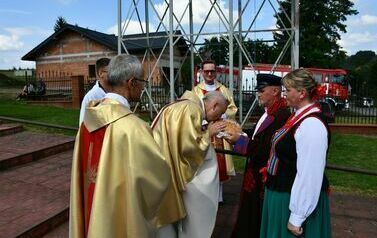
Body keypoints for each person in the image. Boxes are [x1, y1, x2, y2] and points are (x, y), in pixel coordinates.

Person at [69, 54, 171, 238]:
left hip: (92, 208)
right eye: (142, 82)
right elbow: (157, 181)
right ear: (131, 82)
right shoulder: (134, 128)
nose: (142, 88)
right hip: (118, 215)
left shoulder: (87, 122)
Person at [260, 69, 331, 237]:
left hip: (291, 198)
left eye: (288, 90)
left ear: (302, 93)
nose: (284, 94)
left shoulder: (311, 124)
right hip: (283, 192)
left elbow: (309, 173)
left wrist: (298, 216)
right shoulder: (298, 117)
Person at [152, 90, 228, 238]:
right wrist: (208, 134)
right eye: (220, 113)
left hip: (161, 166)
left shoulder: (182, 105)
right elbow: (188, 149)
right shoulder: (191, 109)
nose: (218, 118)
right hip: (167, 169)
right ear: (215, 105)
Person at [227, 74, 291, 237]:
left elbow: (265, 149)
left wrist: (238, 141)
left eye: (262, 90)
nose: (258, 94)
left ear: (275, 91)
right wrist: (241, 132)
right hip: (254, 173)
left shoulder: (280, 115)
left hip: (262, 175)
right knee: (249, 213)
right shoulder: (270, 111)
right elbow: (258, 135)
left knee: (255, 216)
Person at [192, 59, 238, 203]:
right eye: (207, 71)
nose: (210, 74)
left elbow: (232, 108)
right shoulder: (196, 90)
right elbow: (194, 110)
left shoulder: (223, 90)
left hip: (221, 130)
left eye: (212, 71)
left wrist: (222, 114)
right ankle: (205, 194)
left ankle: (219, 196)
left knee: (220, 163)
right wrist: (205, 119)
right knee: (205, 164)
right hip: (203, 130)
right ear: (202, 72)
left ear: (216, 72)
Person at [79, 57, 111, 124]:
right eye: (111, 71)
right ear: (100, 73)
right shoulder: (91, 97)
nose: (114, 74)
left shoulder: (115, 91)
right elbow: (84, 125)